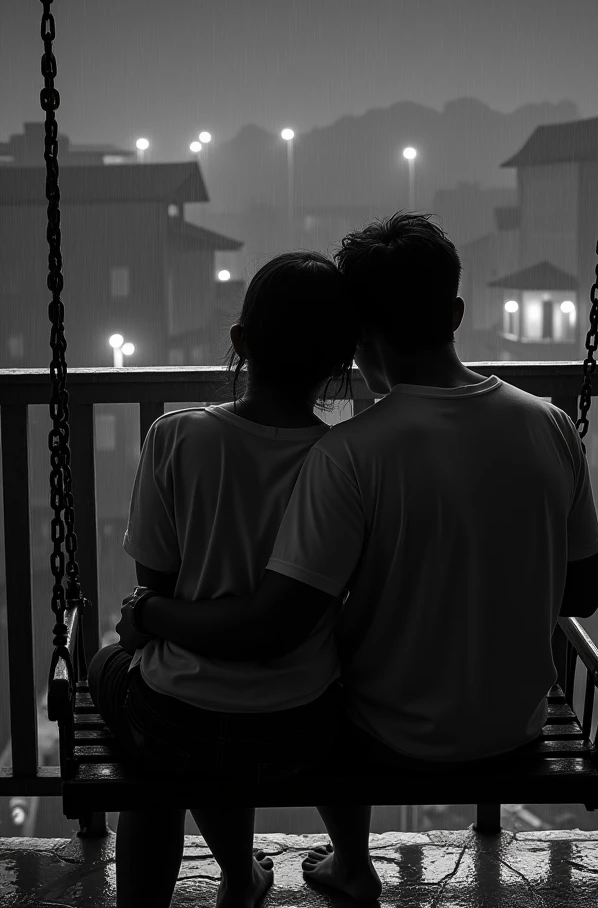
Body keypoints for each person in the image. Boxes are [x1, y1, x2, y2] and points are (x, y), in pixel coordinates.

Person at [120, 212, 598, 901]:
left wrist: (149, 613)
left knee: (262, 695)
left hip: (389, 732)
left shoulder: (351, 453)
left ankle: (264, 871)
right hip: (518, 724)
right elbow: (579, 594)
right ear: (457, 311)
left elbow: (275, 624)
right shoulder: (550, 423)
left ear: (359, 337)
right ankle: (347, 864)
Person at [89, 250, 359, 908]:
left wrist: (149, 620)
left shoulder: (177, 436)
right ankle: (314, 867)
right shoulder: (346, 457)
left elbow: (155, 585)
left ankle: (239, 875)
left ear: (241, 343)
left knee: (112, 674)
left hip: (182, 721)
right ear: (337, 365)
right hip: (302, 724)